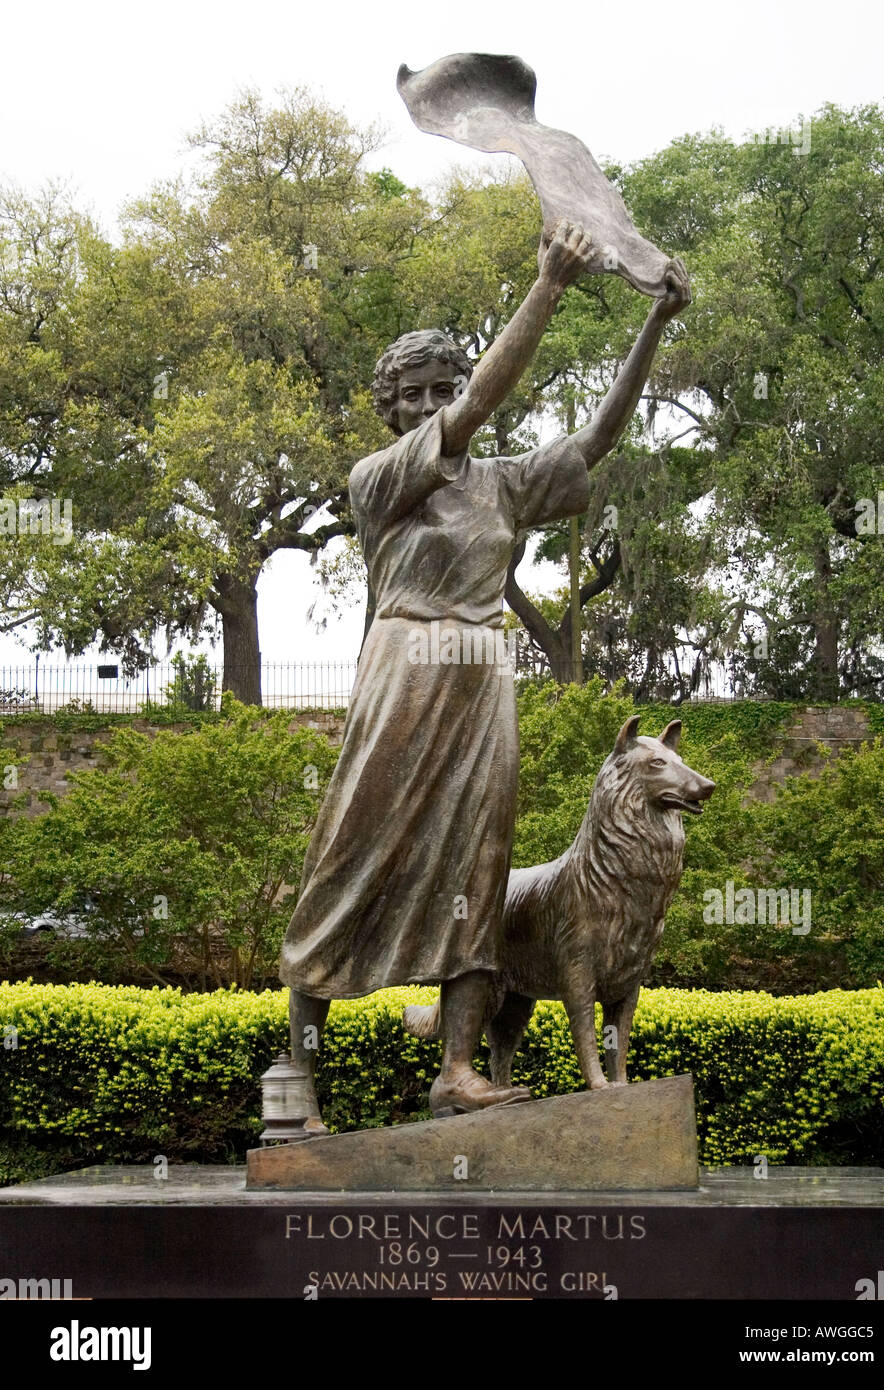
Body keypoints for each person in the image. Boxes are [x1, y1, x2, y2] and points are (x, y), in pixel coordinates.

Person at [279, 220, 691, 1130]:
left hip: (481, 680)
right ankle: (297, 1076)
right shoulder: (381, 479)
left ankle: (457, 1068)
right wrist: (546, 285)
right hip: (407, 671)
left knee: (482, 864)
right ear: (392, 413)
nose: (433, 406)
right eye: (413, 397)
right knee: (352, 859)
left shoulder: (501, 485)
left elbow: (595, 440)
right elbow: (470, 418)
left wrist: (655, 323)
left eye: (444, 388)